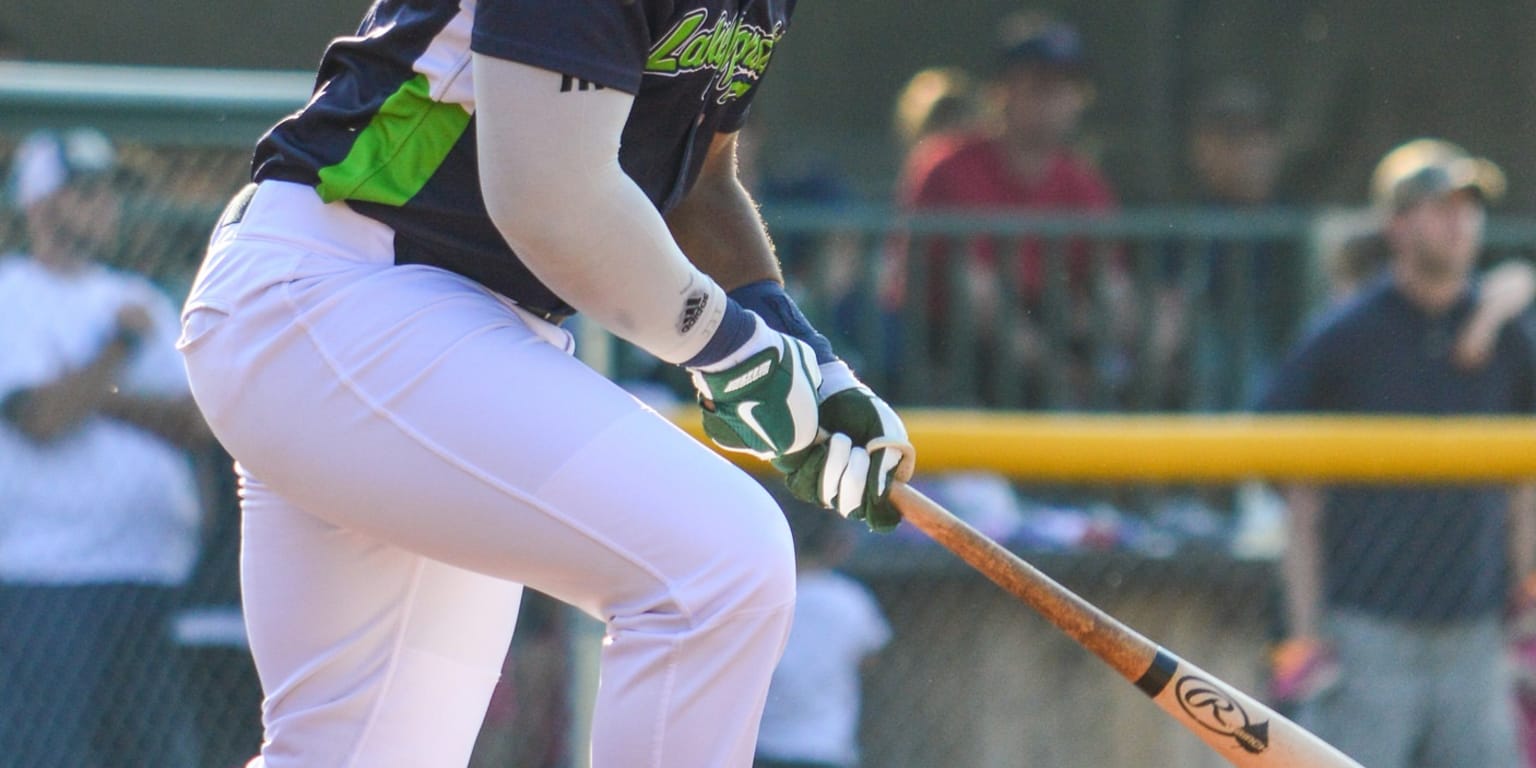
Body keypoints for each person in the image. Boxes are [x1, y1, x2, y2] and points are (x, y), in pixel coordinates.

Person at [176, 3, 916, 767]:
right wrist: (733, 350)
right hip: (347, 284)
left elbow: (692, 175)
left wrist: (807, 357)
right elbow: (549, 197)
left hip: (425, 323)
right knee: (719, 567)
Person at [1259, 138, 1536, 768]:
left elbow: (1526, 483)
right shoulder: (1348, 335)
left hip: (1475, 631)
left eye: (1469, 208)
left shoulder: (1507, 334)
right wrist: (1306, 632)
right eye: (1441, 207)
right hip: (1367, 632)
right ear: (1398, 225)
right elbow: (1289, 479)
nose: (1460, 221)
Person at [0, 128, 209, 767]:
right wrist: (118, 352)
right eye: (82, 192)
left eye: (107, 192)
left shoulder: (137, 297)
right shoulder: (11, 293)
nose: (103, 206)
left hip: (147, 571)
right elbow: (43, 416)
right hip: (47, 580)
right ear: (39, 205)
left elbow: (199, 423)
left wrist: (96, 392)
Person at [885, 11, 1129, 408]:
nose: (1056, 99)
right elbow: (974, 295)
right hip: (948, 355)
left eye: (1068, 87)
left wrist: (1134, 326)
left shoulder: (1083, 181)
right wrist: (1057, 369)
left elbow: (1110, 286)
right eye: (1039, 85)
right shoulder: (947, 164)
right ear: (1001, 91)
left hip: (1048, 342)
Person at [755, 497, 891, 768]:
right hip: (825, 747)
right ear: (835, 545)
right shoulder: (851, 599)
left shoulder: (766, 595)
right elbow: (870, 657)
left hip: (764, 745)